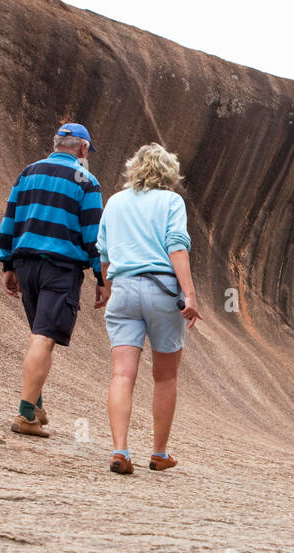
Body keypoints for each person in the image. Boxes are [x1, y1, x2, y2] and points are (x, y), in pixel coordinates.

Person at [95, 144, 202, 474]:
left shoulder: (114, 202)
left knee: (122, 374)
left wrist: (109, 290)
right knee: (165, 376)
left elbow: (104, 253)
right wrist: (190, 294)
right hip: (161, 289)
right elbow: (176, 247)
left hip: (124, 289)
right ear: (169, 172)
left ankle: (120, 451)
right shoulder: (171, 202)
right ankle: (158, 453)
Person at [0, 121, 110, 437]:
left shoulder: (28, 173)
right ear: (83, 149)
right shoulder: (86, 181)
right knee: (44, 337)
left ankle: (35, 405)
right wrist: (101, 278)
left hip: (25, 263)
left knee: (39, 334)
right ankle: (25, 416)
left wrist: (8, 264)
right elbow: (93, 235)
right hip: (60, 269)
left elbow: (10, 220)